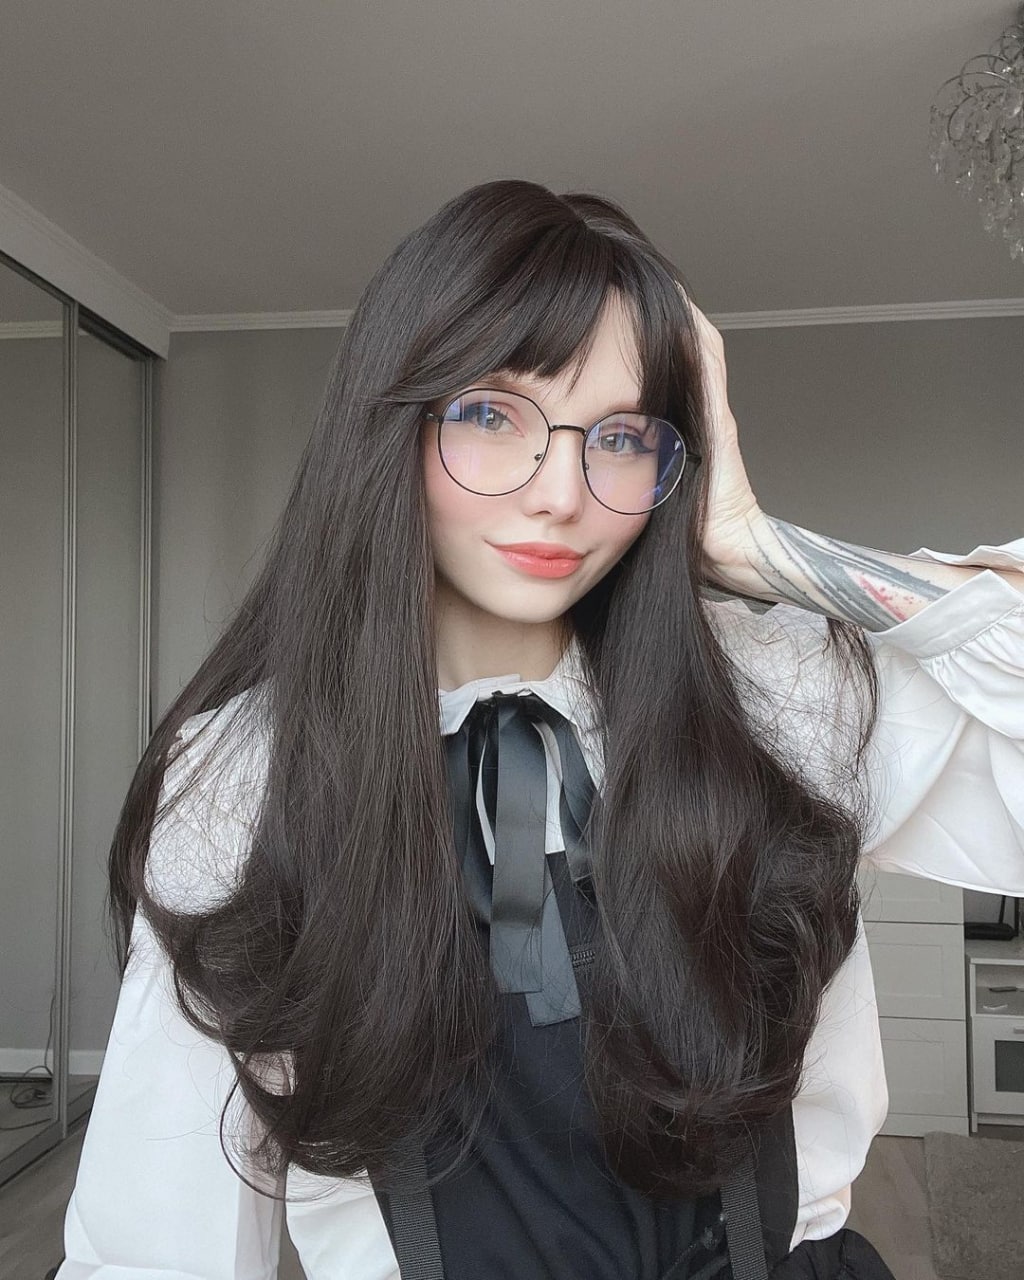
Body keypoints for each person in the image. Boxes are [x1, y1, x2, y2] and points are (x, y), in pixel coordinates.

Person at [57, 179, 1024, 1280]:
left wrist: (757, 545)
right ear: (391, 428)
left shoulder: (771, 694)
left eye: (620, 436)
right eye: (490, 415)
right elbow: (154, 1242)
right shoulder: (248, 772)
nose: (561, 491)